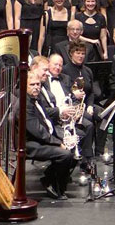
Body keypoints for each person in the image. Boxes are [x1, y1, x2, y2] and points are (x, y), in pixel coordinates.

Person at [23, 71, 78, 200]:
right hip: (32, 144)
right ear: (24, 86)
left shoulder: (36, 100)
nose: (36, 87)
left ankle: (49, 179)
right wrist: (58, 143)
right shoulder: (25, 105)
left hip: (42, 139)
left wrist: (64, 138)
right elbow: (38, 132)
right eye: (32, 84)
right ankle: (54, 185)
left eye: (38, 84)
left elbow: (47, 124)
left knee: (74, 150)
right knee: (65, 154)